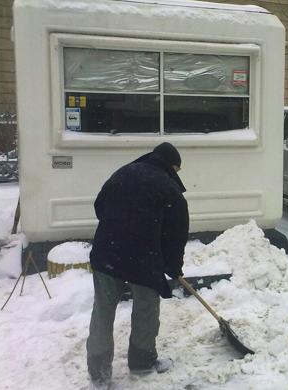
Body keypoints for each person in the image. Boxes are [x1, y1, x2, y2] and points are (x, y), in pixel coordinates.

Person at [86, 142, 189, 387]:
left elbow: (100, 206)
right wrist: (173, 267)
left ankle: (98, 373)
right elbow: (175, 236)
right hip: (143, 257)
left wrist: (120, 229)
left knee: (103, 309)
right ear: (172, 165)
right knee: (145, 308)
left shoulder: (122, 173)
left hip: (106, 252)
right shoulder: (169, 189)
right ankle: (142, 362)